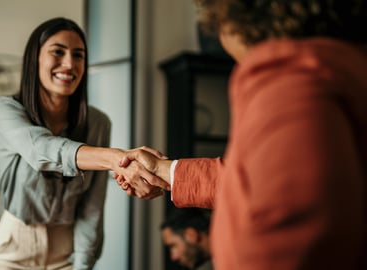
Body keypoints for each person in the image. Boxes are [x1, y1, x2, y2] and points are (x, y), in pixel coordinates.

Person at [116, 1, 367, 269]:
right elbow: (260, 180)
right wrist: (164, 171)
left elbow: (283, 234)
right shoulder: (345, 64)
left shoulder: (289, 75)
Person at [0, 17, 167, 270]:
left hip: (66, 249)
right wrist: (118, 159)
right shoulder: (8, 110)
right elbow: (40, 150)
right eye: (58, 52)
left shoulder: (98, 123)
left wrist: (83, 263)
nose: (69, 63)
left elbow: (92, 208)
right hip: (13, 246)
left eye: (78, 55)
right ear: (34, 58)